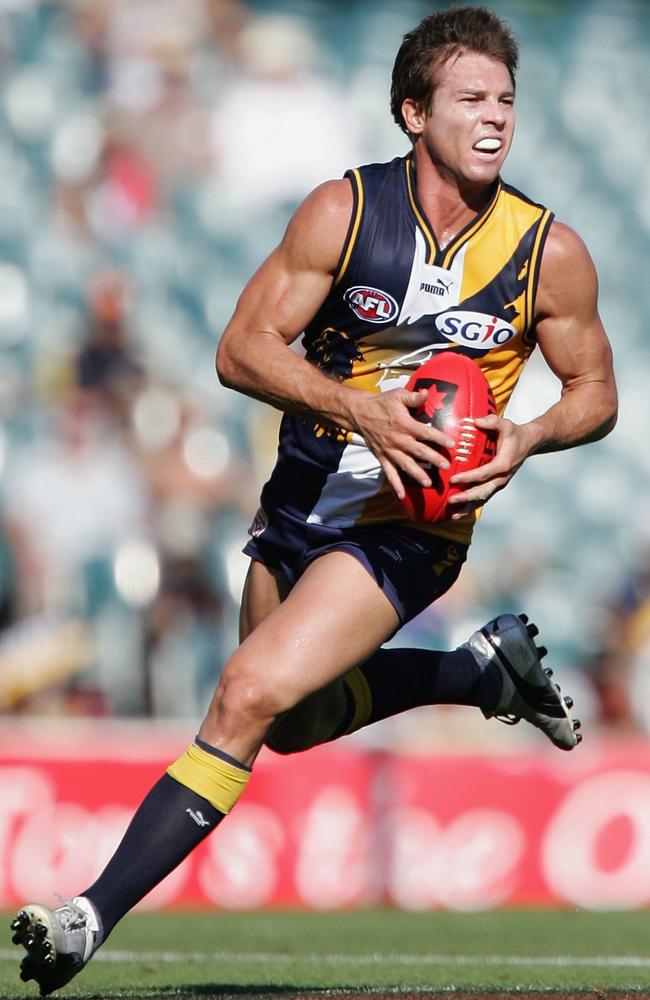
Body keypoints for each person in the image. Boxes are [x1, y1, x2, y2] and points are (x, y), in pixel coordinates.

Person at [12, 6, 617, 995]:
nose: (494, 115)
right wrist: (360, 411)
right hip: (299, 504)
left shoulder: (546, 252)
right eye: (469, 98)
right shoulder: (341, 215)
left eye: (505, 98)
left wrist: (528, 432)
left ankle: (86, 915)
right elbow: (239, 348)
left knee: (245, 692)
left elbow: (593, 390)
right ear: (411, 112)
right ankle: (478, 675)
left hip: (408, 528)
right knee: (290, 723)